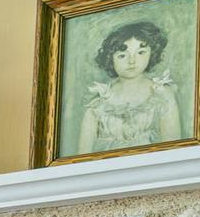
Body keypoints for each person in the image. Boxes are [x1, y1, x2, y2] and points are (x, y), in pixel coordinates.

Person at [76, 18, 183, 155]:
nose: (132, 61)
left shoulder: (162, 93)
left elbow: (174, 146)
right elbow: (83, 154)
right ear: (110, 58)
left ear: (152, 53)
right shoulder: (99, 101)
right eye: (122, 55)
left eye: (140, 52)